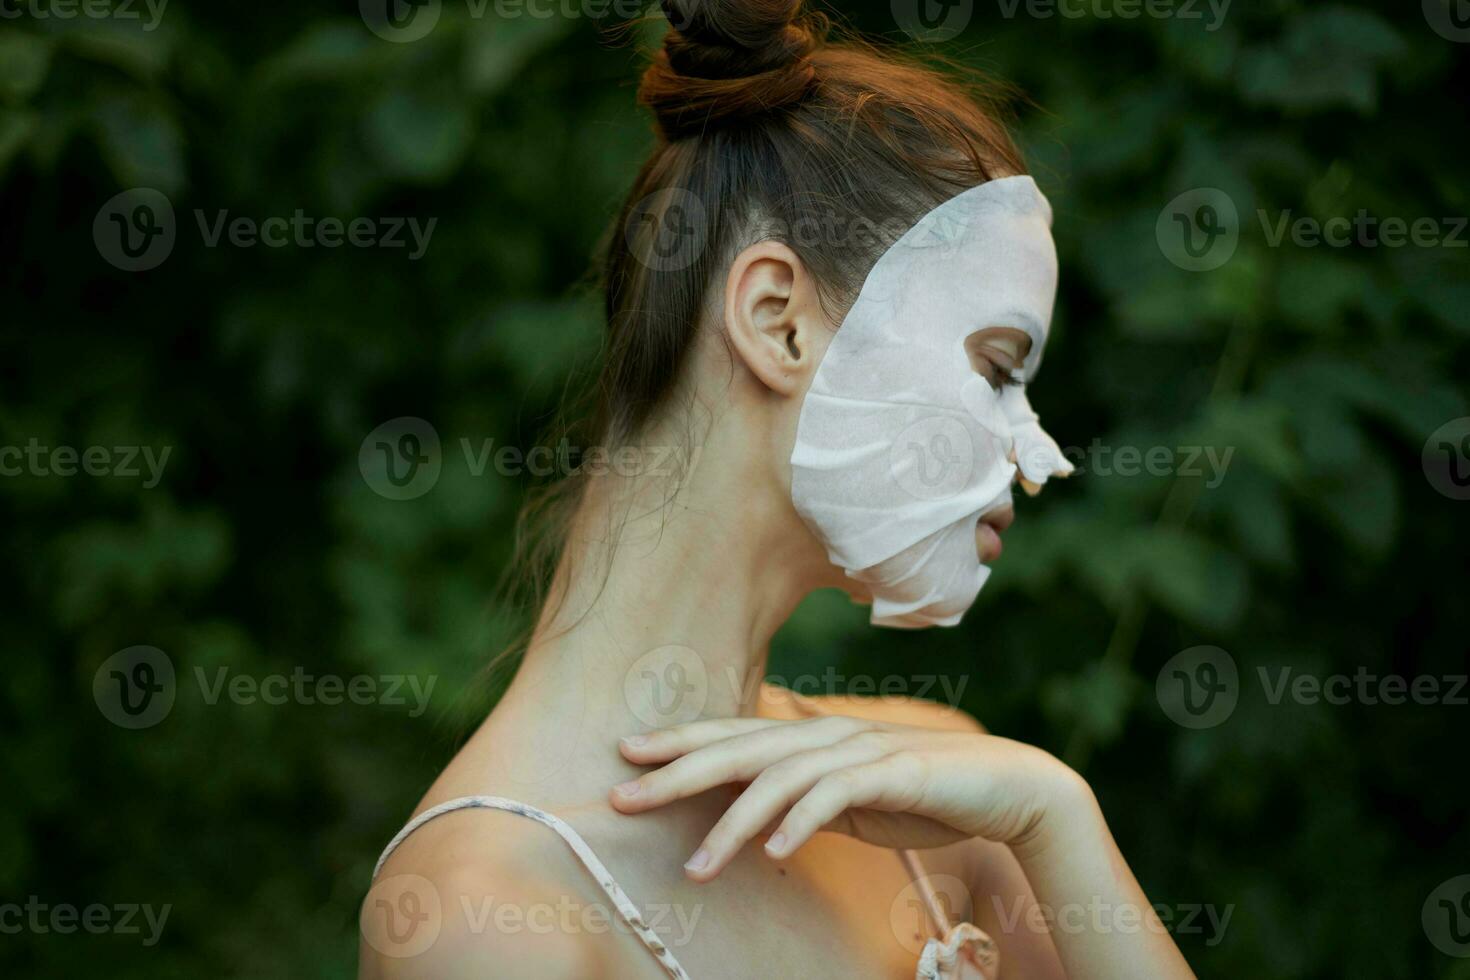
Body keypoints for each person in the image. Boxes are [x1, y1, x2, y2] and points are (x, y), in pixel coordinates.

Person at [360, 1, 1197, 976]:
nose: (1038, 454)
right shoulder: (493, 919)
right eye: (996, 368)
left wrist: (1059, 815)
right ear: (777, 322)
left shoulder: (947, 801)